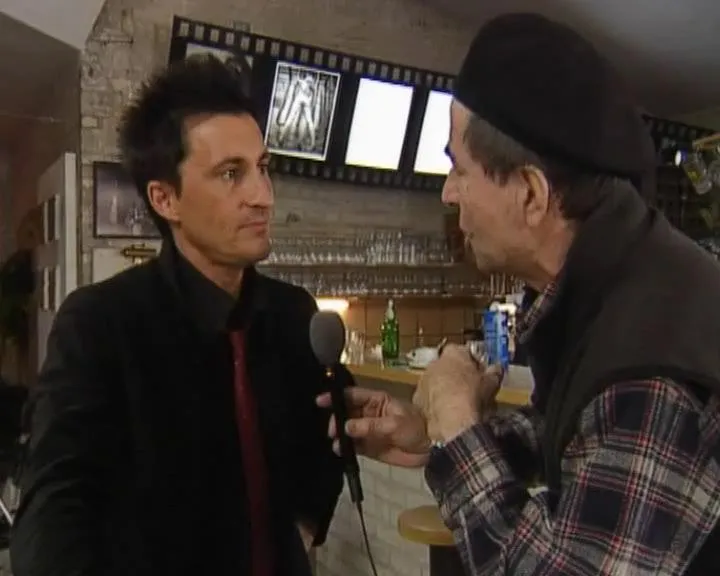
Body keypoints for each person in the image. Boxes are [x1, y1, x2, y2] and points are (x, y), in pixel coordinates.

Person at [319, 13, 720, 575]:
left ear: (531, 193)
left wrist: (458, 423)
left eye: (459, 168)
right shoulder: (611, 289)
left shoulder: (652, 365)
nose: (448, 193)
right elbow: (579, 438)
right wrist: (435, 434)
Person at [11, 55, 344, 576]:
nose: (262, 196)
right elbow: (54, 509)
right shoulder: (100, 324)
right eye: (231, 174)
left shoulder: (293, 313)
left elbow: (328, 436)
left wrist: (302, 525)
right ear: (165, 198)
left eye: (263, 168)